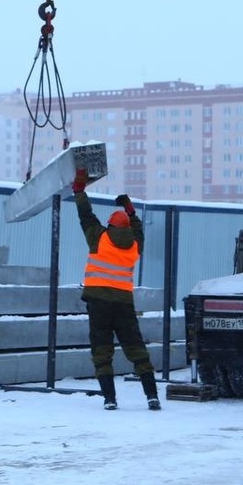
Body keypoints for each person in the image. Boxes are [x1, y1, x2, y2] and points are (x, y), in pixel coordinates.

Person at [71, 168, 161, 411]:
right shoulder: (134, 246)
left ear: (109, 225)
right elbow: (139, 230)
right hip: (123, 304)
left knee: (102, 350)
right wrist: (130, 209)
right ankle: (152, 396)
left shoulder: (99, 237)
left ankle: (109, 398)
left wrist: (79, 190)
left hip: (98, 303)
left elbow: (85, 215)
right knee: (136, 348)